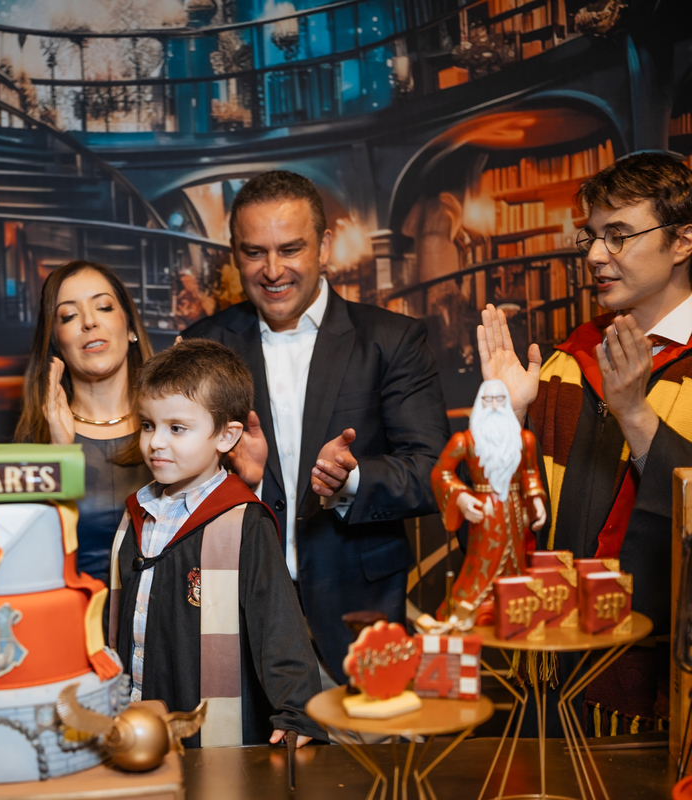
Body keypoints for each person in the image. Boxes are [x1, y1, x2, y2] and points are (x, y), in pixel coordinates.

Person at [181, 171, 450, 682]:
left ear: (324, 245)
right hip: (235, 612)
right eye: (254, 252)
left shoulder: (392, 341)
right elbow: (176, 486)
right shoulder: (203, 347)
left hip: (359, 614)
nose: (273, 269)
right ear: (235, 254)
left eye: (291, 248)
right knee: (240, 764)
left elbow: (432, 469)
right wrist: (248, 483)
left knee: (363, 764)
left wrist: (350, 480)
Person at [479, 152, 692, 729]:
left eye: (618, 235)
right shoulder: (564, 365)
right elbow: (501, 525)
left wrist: (634, 414)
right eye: (592, 238)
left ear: (682, 241)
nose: (596, 256)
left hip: (660, 691)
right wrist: (505, 416)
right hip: (549, 673)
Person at [107, 339, 325, 748]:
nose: (155, 442)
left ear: (226, 436)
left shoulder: (243, 520)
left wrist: (298, 713)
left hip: (209, 725)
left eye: (177, 428)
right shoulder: (136, 513)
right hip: (136, 713)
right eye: (148, 425)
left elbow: (277, 625)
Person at [14, 261, 154, 586]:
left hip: (163, 627)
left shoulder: (171, 431)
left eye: (103, 307)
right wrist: (59, 455)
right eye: (69, 316)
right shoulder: (38, 444)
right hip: (74, 626)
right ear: (55, 341)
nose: (89, 322)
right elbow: (24, 561)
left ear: (131, 327)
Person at [430, 379, 547, 625]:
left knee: (516, 557)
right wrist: (461, 497)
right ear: (479, 404)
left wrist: (535, 499)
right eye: (487, 400)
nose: (494, 405)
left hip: (514, 510)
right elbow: (441, 472)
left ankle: (514, 603)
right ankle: (474, 606)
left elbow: (529, 473)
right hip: (485, 512)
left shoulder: (523, 440)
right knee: (482, 558)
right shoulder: (467, 441)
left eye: (499, 400)